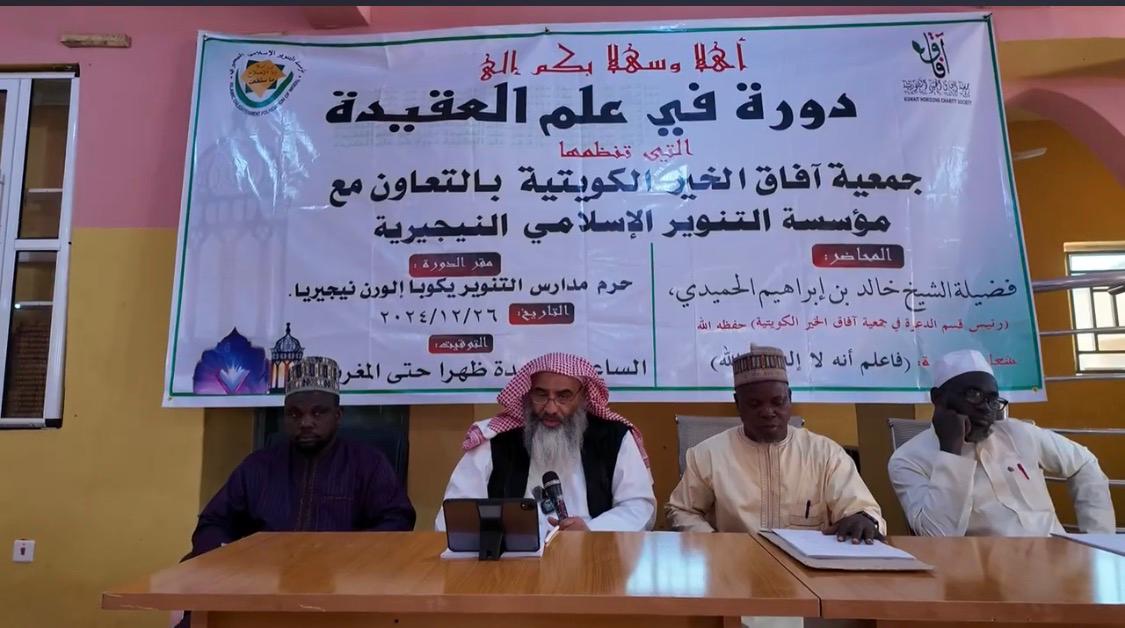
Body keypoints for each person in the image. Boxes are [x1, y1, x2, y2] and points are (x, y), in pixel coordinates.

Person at [174, 356, 416, 626]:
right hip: (262, 590)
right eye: (294, 414)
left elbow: (397, 520)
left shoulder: (368, 464)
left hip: (343, 593)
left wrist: (347, 554)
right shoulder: (259, 466)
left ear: (337, 416)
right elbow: (213, 522)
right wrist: (228, 557)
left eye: (318, 412)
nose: (306, 422)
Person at [667, 344, 885, 543]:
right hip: (735, 564)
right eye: (754, 404)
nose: (768, 412)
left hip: (809, 568)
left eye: (777, 402)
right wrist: (716, 543)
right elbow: (681, 510)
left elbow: (863, 509)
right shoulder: (708, 455)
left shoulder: (825, 454)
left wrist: (863, 519)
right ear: (738, 404)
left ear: (789, 398)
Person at [888, 348, 1114, 536]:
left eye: (993, 400)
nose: (987, 409)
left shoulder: (1017, 433)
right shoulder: (908, 460)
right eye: (974, 395)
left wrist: (1099, 539)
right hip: (985, 572)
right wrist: (950, 451)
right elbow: (938, 536)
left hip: (1056, 559)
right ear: (938, 398)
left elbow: (1084, 463)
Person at [436, 352, 656, 532]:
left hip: (592, 554)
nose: (551, 408)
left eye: (563, 396)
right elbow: (454, 513)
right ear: (527, 394)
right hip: (512, 560)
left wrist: (592, 530)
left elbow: (639, 506)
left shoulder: (613, 438)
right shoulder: (495, 441)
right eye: (541, 395)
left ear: (583, 397)